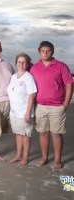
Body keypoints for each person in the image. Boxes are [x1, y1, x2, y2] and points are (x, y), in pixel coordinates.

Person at [30, 41, 73, 169]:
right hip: (40, 106)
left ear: (52, 52)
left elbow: (69, 85)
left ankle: (58, 160)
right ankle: (44, 158)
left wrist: (65, 104)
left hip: (57, 106)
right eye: (43, 51)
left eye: (48, 50)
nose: (45, 53)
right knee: (43, 133)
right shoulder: (34, 68)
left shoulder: (61, 66)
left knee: (56, 134)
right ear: (39, 52)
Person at [7, 53, 37, 166]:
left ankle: (25, 157)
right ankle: (18, 154)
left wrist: (28, 113)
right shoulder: (13, 77)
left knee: (25, 135)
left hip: (24, 112)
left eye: (24, 62)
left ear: (27, 64)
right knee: (18, 134)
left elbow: (32, 95)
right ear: (16, 63)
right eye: (19, 62)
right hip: (14, 112)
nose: (21, 64)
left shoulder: (28, 77)